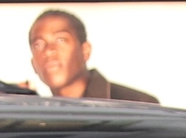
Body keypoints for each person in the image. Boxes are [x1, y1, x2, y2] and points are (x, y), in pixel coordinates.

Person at [26, 9, 156, 103]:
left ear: (85, 51)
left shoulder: (138, 104)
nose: (48, 51)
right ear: (33, 65)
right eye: (38, 45)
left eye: (60, 40)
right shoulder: (36, 114)